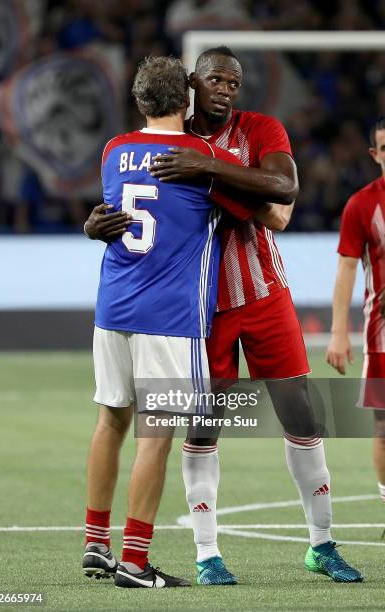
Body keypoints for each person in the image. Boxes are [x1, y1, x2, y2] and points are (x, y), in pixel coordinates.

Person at [85, 47, 362, 584]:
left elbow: (283, 203)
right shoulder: (172, 144)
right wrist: (96, 224)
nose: (226, 90)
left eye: (234, 82)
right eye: (215, 79)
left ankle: (322, 544)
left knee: (301, 417)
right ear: (191, 84)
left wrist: (210, 168)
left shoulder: (257, 130)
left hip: (262, 293)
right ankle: (207, 554)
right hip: (199, 310)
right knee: (203, 426)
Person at [83, 54, 257, 589]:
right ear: (186, 101)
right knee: (155, 436)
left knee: (111, 419)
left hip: (113, 307)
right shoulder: (202, 153)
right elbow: (265, 207)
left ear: (138, 102)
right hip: (169, 315)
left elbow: (116, 208)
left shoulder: (115, 150)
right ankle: (135, 561)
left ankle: (96, 542)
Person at [327, 116, 385, 509]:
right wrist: (338, 332)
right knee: (383, 428)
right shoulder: (362, 204)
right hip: (382, 336)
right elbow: (347, 269)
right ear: (375, 154)